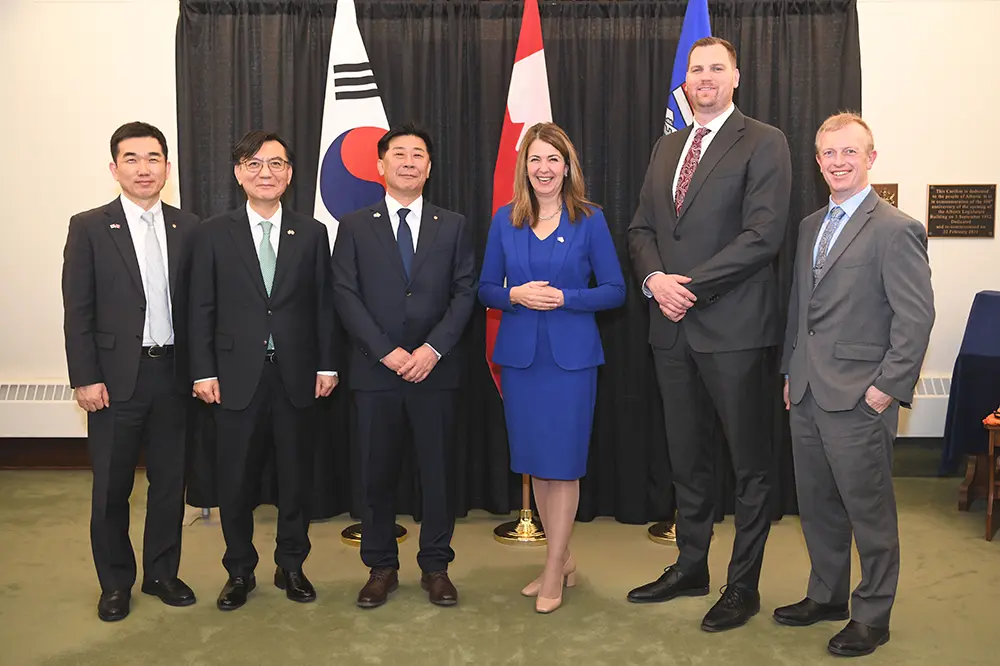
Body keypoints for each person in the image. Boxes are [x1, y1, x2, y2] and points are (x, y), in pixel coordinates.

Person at [625, 36, 792, 631]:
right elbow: (642, 227)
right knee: (687, 459)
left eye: (716, 69)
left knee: (750, 468)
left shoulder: (765, 141)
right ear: (685, 81)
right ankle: (690, 565)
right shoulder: (668, 145)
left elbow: (763, 236)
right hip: (669, 332)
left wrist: (686, 284)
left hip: (734, 330)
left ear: (736, 77)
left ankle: (741, 585)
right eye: (696, 70)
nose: (705, 78)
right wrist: (652, 279)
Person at [776, 112, 934, 657]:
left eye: (849, 152)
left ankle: (873, 614)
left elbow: (915, 319)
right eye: (828, 153)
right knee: (817, 505)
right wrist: (791, 372)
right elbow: (802, 308)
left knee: (868, 510)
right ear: (817, 161)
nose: (838, 162)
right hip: (808, 394)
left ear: (870, 158)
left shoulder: (896, 228)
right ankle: (826, 595)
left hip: (862, 397)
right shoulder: (808, 226)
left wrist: (886, 387)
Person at [479, 123, 625, 614]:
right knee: (537, 465)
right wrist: (513, 295)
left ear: (568, 166)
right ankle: (559, 559)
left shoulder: (590, 220)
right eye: (535, 160)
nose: (543, 169)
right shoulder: (505, 220)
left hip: (571, 361)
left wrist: (567, 297)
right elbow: (484, 289)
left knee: (563, 466)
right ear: (525, 167)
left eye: (553, 160)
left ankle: (553, 568)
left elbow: (615, 290)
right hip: (521, 361)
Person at [189, 131, 338, 611]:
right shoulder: (212, 232)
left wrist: (327, 363)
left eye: (276, 164)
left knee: (297, 479)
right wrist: (202, 371)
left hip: (296, 375)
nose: (265, 173)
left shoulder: (312, 232)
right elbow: (200, 308)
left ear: (290, 173)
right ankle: (239, 571)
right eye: (254, 164)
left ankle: (291, 565)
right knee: (235, 481)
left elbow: (324, 305)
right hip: (233, 378)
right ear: (238, 173)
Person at [332, 124, 476, 609]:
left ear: (429, 167)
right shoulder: (354, 225)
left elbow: (464, 293)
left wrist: (431, 350)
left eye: (419, 154)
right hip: (376, 373)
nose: (409, 162)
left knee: (437, 474)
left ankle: (436, 566)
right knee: (375, 475)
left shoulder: (452, 224)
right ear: (380, 165)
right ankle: (381, 567)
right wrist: (386, 351)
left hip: (436, 372)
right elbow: (345, 294)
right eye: (399, 154)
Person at [62, 121, 199, 621]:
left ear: (167, 166)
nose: (145, 169)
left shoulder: (191, 227)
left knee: (169, 483)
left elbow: (199, 308)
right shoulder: (90, 226)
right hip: (115, 380)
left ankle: (162, 573)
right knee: (112, 487)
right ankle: (115, 582)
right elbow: (78, 309)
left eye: (154, 158)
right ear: (115, 167)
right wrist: (85, 376)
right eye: (133, 158)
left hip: (175, 375)